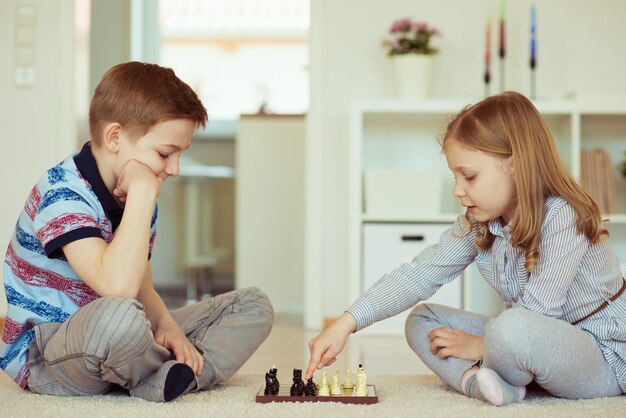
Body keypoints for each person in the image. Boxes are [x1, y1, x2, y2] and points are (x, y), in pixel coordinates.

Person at [306, 91, 626, 406]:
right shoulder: (480, 222)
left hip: (602, 356)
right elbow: (418, 275)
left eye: (469, 176)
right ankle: (480, 385)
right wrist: (346, 323)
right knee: (423, 319)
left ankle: (499, 366)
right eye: (455, 176)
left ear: (516, 167)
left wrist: (479, 346)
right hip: (524, 343)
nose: (458, 190)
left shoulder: (562, 215)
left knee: (511, 328)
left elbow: (538, 316)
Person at [0, 62, 274, 402]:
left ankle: (162, 375)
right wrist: (143, 192)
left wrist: (167, 326)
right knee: (121, 318)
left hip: (120, 336)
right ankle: (166, 373)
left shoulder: (138, 197)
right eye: (165, 153)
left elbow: (141, 286)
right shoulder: (62, 192)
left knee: (253, 306)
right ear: (115, 137)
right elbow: (118, 288)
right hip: (50, 357)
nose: (174, 169)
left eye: (179, 155)